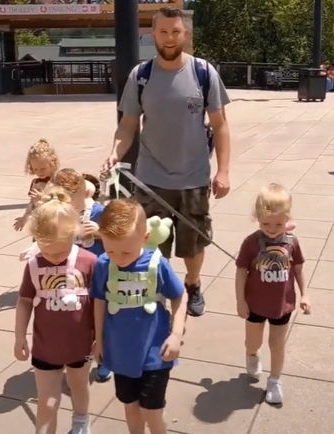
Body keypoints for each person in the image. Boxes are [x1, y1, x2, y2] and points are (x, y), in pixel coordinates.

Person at [103, 7, 232, 317]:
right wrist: (114, 153)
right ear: (152, 34)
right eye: (163, 32)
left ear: (184, 34)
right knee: (149, 243)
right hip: (150, 179)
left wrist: (223, 171)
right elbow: (128, 125)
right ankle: (156, 287)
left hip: (194, 177)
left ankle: (193, 284)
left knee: (194, 244)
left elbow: (220, 125)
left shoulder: (204, 72)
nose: (170, 38)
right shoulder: (141, 76)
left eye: (176, 32)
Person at [91, 199, 187, 434]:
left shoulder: (157, 264)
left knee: (152, 411)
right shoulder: (104, 264)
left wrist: (176, 334)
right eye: (110, 249)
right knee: (130, 406)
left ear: (144, 238)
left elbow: (180, 296)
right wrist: (99, 340)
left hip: (155, 351)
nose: (118, 257)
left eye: (126, 251)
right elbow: (99, 302)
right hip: (120, 351)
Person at [14, 188, 96, 434]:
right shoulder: (35, 264)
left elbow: (100, 303)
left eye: (59, 251)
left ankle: (81, 421)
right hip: (45, 347)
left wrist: (101, 339)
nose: (51, 257)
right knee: (47, 402)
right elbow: (25, 300)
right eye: (45, 249)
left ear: (73, 236)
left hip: (80, 345)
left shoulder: (89, 261)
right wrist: (19, 336)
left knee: (78, 385)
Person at [235, 183, 311, 405]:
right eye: (266, 223)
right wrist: (240, 301)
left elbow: (297, 269)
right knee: (253, 341)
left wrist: (305, 294)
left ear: (287, 218)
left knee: (277, 344)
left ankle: (275, 380)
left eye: (278, 223)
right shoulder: (251, 243)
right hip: (255, 304)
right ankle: (251, 355)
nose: (272, 228)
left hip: (282, 305)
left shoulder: (292, 242)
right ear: (257, 218)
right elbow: (240, 271)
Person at [13, 139, 59, 232]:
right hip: (40, 224)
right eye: (35, 169)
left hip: (55, 225)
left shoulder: (58, 181)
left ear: (53, 163)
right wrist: (25, 218)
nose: (39, 172)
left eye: (43, 168)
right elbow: (32, 204)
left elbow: (62, 203)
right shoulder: (36, 183)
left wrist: (44, 198)